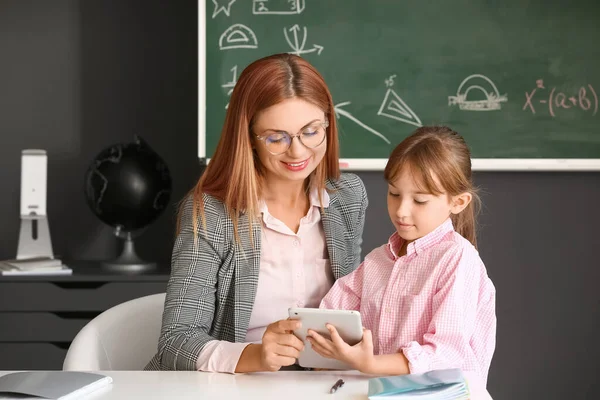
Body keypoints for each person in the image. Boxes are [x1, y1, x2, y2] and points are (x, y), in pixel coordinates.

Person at [144, 53, 368, 373]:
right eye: (276, 137)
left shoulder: (347, 197)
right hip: (233, 387)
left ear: (328, 124)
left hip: (319, 383)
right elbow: (176, 341)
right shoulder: (212, 214)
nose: (298, 151)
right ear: (249, 138)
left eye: (311, 131)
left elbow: (353, 304)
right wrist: (256, 354)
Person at [308, 126, 496, 384]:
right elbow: (331, 314)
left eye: (419, 200)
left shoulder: (458, 259)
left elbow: (448, 354)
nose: (401, 211)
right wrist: (323, 348)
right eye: (394, 194)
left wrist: (371, 364)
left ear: (458, 202)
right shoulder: (377, 261)